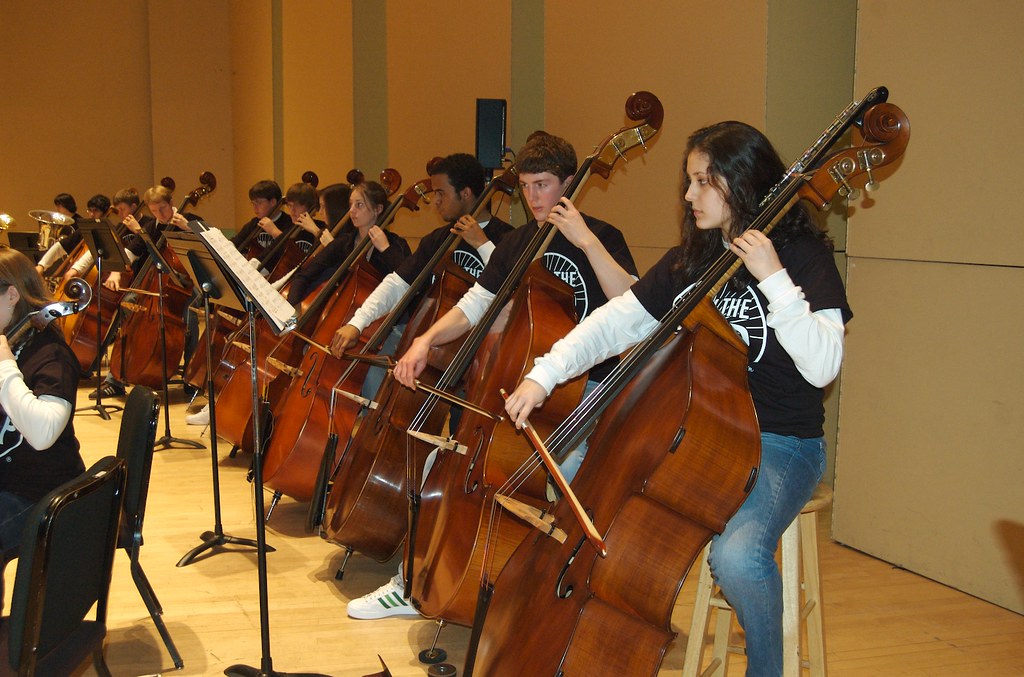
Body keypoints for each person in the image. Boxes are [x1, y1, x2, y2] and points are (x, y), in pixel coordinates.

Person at [503, 121, 852, 676]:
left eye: (701, 182)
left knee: (736, 559)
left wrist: (775, 280)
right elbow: (616, 323)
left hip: (782, 443)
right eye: (687, 182)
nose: (688, 196)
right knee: (577, 473)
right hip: (698, 438)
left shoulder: (804, 257)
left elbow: (824, 366)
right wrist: (544, 375)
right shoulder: (694, 258)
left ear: (740, 183)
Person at [346, 133, 638, 620]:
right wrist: (425, 340)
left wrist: (584, 239)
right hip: (518, 390)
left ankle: (534, 598)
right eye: (525, 186)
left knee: (554, 482)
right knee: (443, 469)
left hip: (586, 394)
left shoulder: (602, 235)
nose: (535, 198)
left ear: (570, 182)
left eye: (543, 185)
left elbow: (632, 303)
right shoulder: (518, 242)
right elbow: (476, 304)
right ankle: (413, 582)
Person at [328, 152, 514, 400]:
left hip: (481, 361)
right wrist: (357, 323)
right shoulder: (437, 239)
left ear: (466, 193)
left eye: (441, 193)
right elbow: (397, 283)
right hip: (434, 355)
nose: (435, 201)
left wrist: (482, 245)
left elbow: (512, 289)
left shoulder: (507, 238)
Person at [0, 247, 85, 611]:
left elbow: (43, 433)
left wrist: (5, 368)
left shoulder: (50, 353)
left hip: (42, 492)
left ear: (12, 294)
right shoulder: (13, 339)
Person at [91, 184, 201, 399]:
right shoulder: (152, 227)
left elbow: (212, 242)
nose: (159, 214)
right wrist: (115, 273)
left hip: (186, 288)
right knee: (128, 302)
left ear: (171, 204)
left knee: (189, 319)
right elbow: (130, 253)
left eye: (162, 209)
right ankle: (117, 379)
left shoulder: (189, 220)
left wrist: (190, 229)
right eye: (153, 211)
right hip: (154, 287)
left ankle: (191, 376)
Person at [286, 181, 409, 306]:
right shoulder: (343, 243)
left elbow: (409, 280)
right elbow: (304, 276)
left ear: (378, 209)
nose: (351, 210)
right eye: (351, 205)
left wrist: (386, 249)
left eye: (359, 205)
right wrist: (290, 310)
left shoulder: (396, 244)